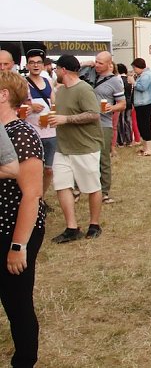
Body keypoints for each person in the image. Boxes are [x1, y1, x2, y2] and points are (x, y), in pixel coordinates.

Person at [0, 71, 47, 368]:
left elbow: (32, 195)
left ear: (4, 95)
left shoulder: (22, 133)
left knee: (17, 304)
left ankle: (24, 361)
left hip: (14, 228)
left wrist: (18, 246)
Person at [48, 55, 103, 243]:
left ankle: (94, 224)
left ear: (64, 70)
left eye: (56, 69)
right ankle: (72, 227)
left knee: (92, 187)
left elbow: (94, 115)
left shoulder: (84, 89)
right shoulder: (61, 90)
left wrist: (66, 119)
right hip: (63, 147)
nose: (55, 72)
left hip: (85, 147)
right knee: (62, 185)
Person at [82, 52, 126, 203]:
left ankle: (104, 191)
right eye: (96, 62)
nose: (97, 65)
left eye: (100, 63)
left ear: (109, 64)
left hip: (103, 124)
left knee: (103, 158)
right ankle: (84, 188)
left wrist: (111, 107)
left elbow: (122, 104)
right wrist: (85, 63)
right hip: (86, 122)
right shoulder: (90, 74)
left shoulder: (115, 81)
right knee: (85, 157)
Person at [22, 50, 57, 212]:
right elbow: (18, 107)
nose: (35, 65)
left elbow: (54, 102)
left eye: (38, 62)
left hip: (51, 132)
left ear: (43, 65)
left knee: (49, 170)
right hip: (33, 132)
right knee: (34, 169)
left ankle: (41, 198)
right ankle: (33, 199)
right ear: (27, 65)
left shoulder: (48, 81)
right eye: (32, 62)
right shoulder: (23, 83)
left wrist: (54, 114)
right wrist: (30, 106)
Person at [130, 58, 151, 157]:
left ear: (140, 67)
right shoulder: (142, 75)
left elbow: (142, 88)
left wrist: (134, 82)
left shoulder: (146, 75)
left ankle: (149, 149)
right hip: (140, 104)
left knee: (145, 125)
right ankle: (145, 147)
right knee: (141, 125)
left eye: (135, 68)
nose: (134, 70)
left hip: (146, 103)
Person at [115, 64, 135, 147]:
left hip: (121, 102)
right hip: (129, 102)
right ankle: (129, 140)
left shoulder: (118, 79)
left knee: (121, 121)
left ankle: (121, 141)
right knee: (128, 120)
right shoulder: (129, 80)